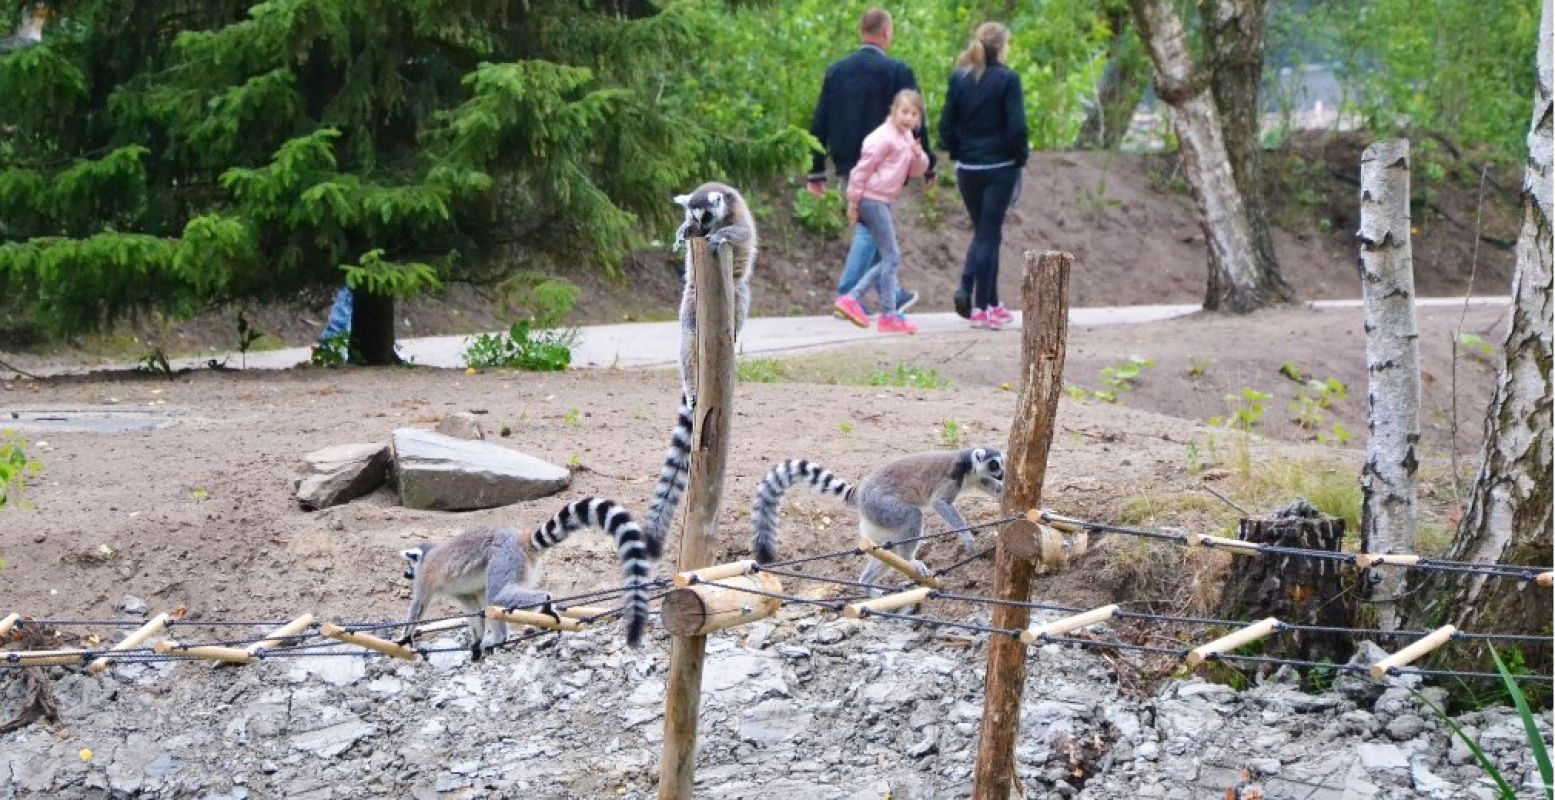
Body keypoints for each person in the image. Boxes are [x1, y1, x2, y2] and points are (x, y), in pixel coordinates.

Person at [807, 7, 932, 324]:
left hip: (850, 160)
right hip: (886, 163)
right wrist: (928, 164)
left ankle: (891, 293)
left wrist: (816, 169)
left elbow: (819, 121)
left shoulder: (837, 71)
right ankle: (849, 294)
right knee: (869, 227)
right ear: (887, 34)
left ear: (861, 31)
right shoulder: (897, 72)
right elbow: (918, 121)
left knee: (877, 226)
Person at [938, 22, 1027, 331]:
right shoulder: (1007, 80)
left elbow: (946, 124)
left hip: (968, 169)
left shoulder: (960, 79)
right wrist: (1020, 157)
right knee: (988, 235)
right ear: (1002, 47)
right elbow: (1017, 127)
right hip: (999, 167)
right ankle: (980, 308)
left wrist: (957, 152)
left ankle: (992, 302)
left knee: (986, 234)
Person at [835, 89, 931, 335]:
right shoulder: (882, 138)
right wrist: (854, 203)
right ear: (894, 111)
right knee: (892, 257)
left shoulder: (907, 137)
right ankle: (853, 298)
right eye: (904, 112)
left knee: (886, 257)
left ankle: (889, 314)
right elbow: (860, 172)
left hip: (884, 201)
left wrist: (920, 157)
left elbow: (915, 171)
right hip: (872, 200)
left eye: (913, 113)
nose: (908, 118)